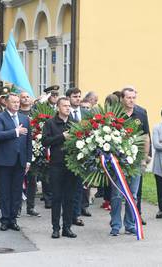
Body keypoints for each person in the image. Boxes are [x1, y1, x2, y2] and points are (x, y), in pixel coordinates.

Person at [110, 87, 150, 236]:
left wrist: (145, 157)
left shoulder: (141, 112)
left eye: (134, 97)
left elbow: (146, 136)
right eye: (128, 98)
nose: (131, 100)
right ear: (122, 98)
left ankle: (130, 224)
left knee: (132, 194)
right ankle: (115, 224)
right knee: (117, 194)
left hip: (136, 159)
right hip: (118, 160)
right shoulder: (114, 113)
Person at [0, 93, 32, 231]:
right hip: (5, 161)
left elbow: (28, 142)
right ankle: (5, 219)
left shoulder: (24, 118)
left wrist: (28, 160)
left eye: (18, 102)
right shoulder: (0, 117)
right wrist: (15, 131)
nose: (17, 104)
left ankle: (13, 219)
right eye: (14, 102)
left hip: (20, 161)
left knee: (16, 192)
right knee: (5, 191)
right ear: (7, 103)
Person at [43, 97, 77, 238]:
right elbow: (45, 141)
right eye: (64, 106)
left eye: (69, 106)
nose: (67, 108)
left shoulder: (74, 123)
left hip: (71, 165)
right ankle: (55, 228)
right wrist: (61, 137)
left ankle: (67, 227)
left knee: (69, 198)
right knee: (56, 197)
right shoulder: (50, 123)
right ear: (58, 107)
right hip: (56, 164)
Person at [66, 87, 91, 225]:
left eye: (79, 96)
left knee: (79, 187)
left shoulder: (85, 113)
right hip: (67, 154)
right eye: (75, 96)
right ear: (69, 98)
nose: (78, 99)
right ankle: (68, 214)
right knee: (68, 188)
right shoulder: (63, 112)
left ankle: (76, 214)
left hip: (83, 155)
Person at [19, 92, 40, 217]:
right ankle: (17, 207)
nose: (26, 98)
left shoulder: (36, 113)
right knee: (18, 180)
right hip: (20, 150)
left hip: (34, 150)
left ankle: (31, 207)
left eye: (27, 96)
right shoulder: (17, 113)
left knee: (32, 180)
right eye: (23, 97)